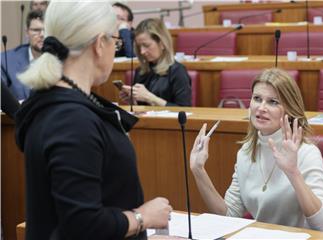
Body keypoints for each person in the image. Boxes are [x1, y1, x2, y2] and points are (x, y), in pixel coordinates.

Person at [15, 2, 172, 240]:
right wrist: (142, 218)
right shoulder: (71, 120)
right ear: (100, 44)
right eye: (115, 42)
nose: (115, 49)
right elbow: (82, 225)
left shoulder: (52, 103)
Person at [190, 68, 323, 232]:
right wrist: (198, 171)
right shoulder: (246, 152)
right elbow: (229, 215)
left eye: (273, 102)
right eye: (257, 99)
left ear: (289, 109)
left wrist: (293, 172)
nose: (261, 107)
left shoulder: (306, 152)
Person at [119, 18, 192, 106]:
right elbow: (143, 109)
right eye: (139, 47)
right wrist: (132, 101)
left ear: (162, 43)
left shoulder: (178, 71)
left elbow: (184, 111)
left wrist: (150, 98)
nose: (142, 51)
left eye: (146, 45)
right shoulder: (141, 71)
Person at [1, 10, 44, 101]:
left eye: (46, 30)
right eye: (36, 30)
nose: (42, 35)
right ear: (27, 32)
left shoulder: (62, 60)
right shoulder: (6, 61)